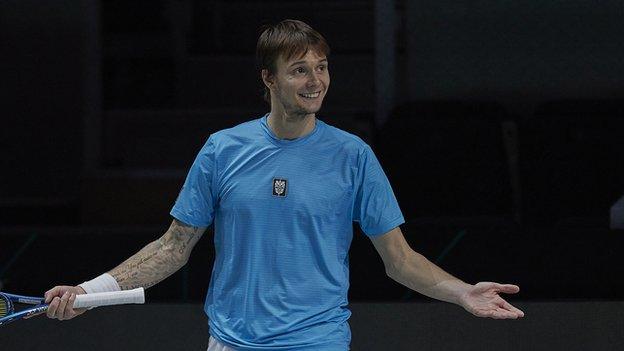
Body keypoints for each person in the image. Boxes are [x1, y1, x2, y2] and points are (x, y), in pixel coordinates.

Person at [45, 19, 524, 350]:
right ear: (269, 79)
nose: (316, 81)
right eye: (300, 70)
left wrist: (463, 292)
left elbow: (399, 261)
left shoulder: (353, 155)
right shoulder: (221, 149)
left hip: (318, 340)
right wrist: (90, 291)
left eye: (321, 67)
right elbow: (172, 248)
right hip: (232, 341)